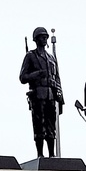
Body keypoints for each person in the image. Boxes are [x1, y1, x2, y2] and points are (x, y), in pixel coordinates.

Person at [19, 27, 64, 158]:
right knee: (39, 125)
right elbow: (23, 77)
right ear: (36, 39)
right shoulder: (30, 56)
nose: (44, 39)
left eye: (46, 37)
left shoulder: (51, 58)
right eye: (41, 37)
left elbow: (57, 78)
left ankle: (51, 153)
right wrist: (37, 74)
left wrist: (60, 96)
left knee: (51, 126)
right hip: (37, 94)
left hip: (51, 95)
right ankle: (40, 153)